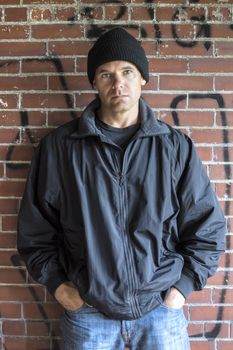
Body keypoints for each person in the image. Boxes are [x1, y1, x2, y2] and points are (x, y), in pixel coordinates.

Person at [17, 27, 226, 350]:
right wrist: (62, 289)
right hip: (88, 313)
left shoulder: (173, 148)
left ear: (142, 78)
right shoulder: (60, 148)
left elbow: (207, 227)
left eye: (127, 71)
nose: (118, 83)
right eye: (105, 74)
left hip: (159, 312)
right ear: (94, 83)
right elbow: (36, 231)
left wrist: (180, 289)